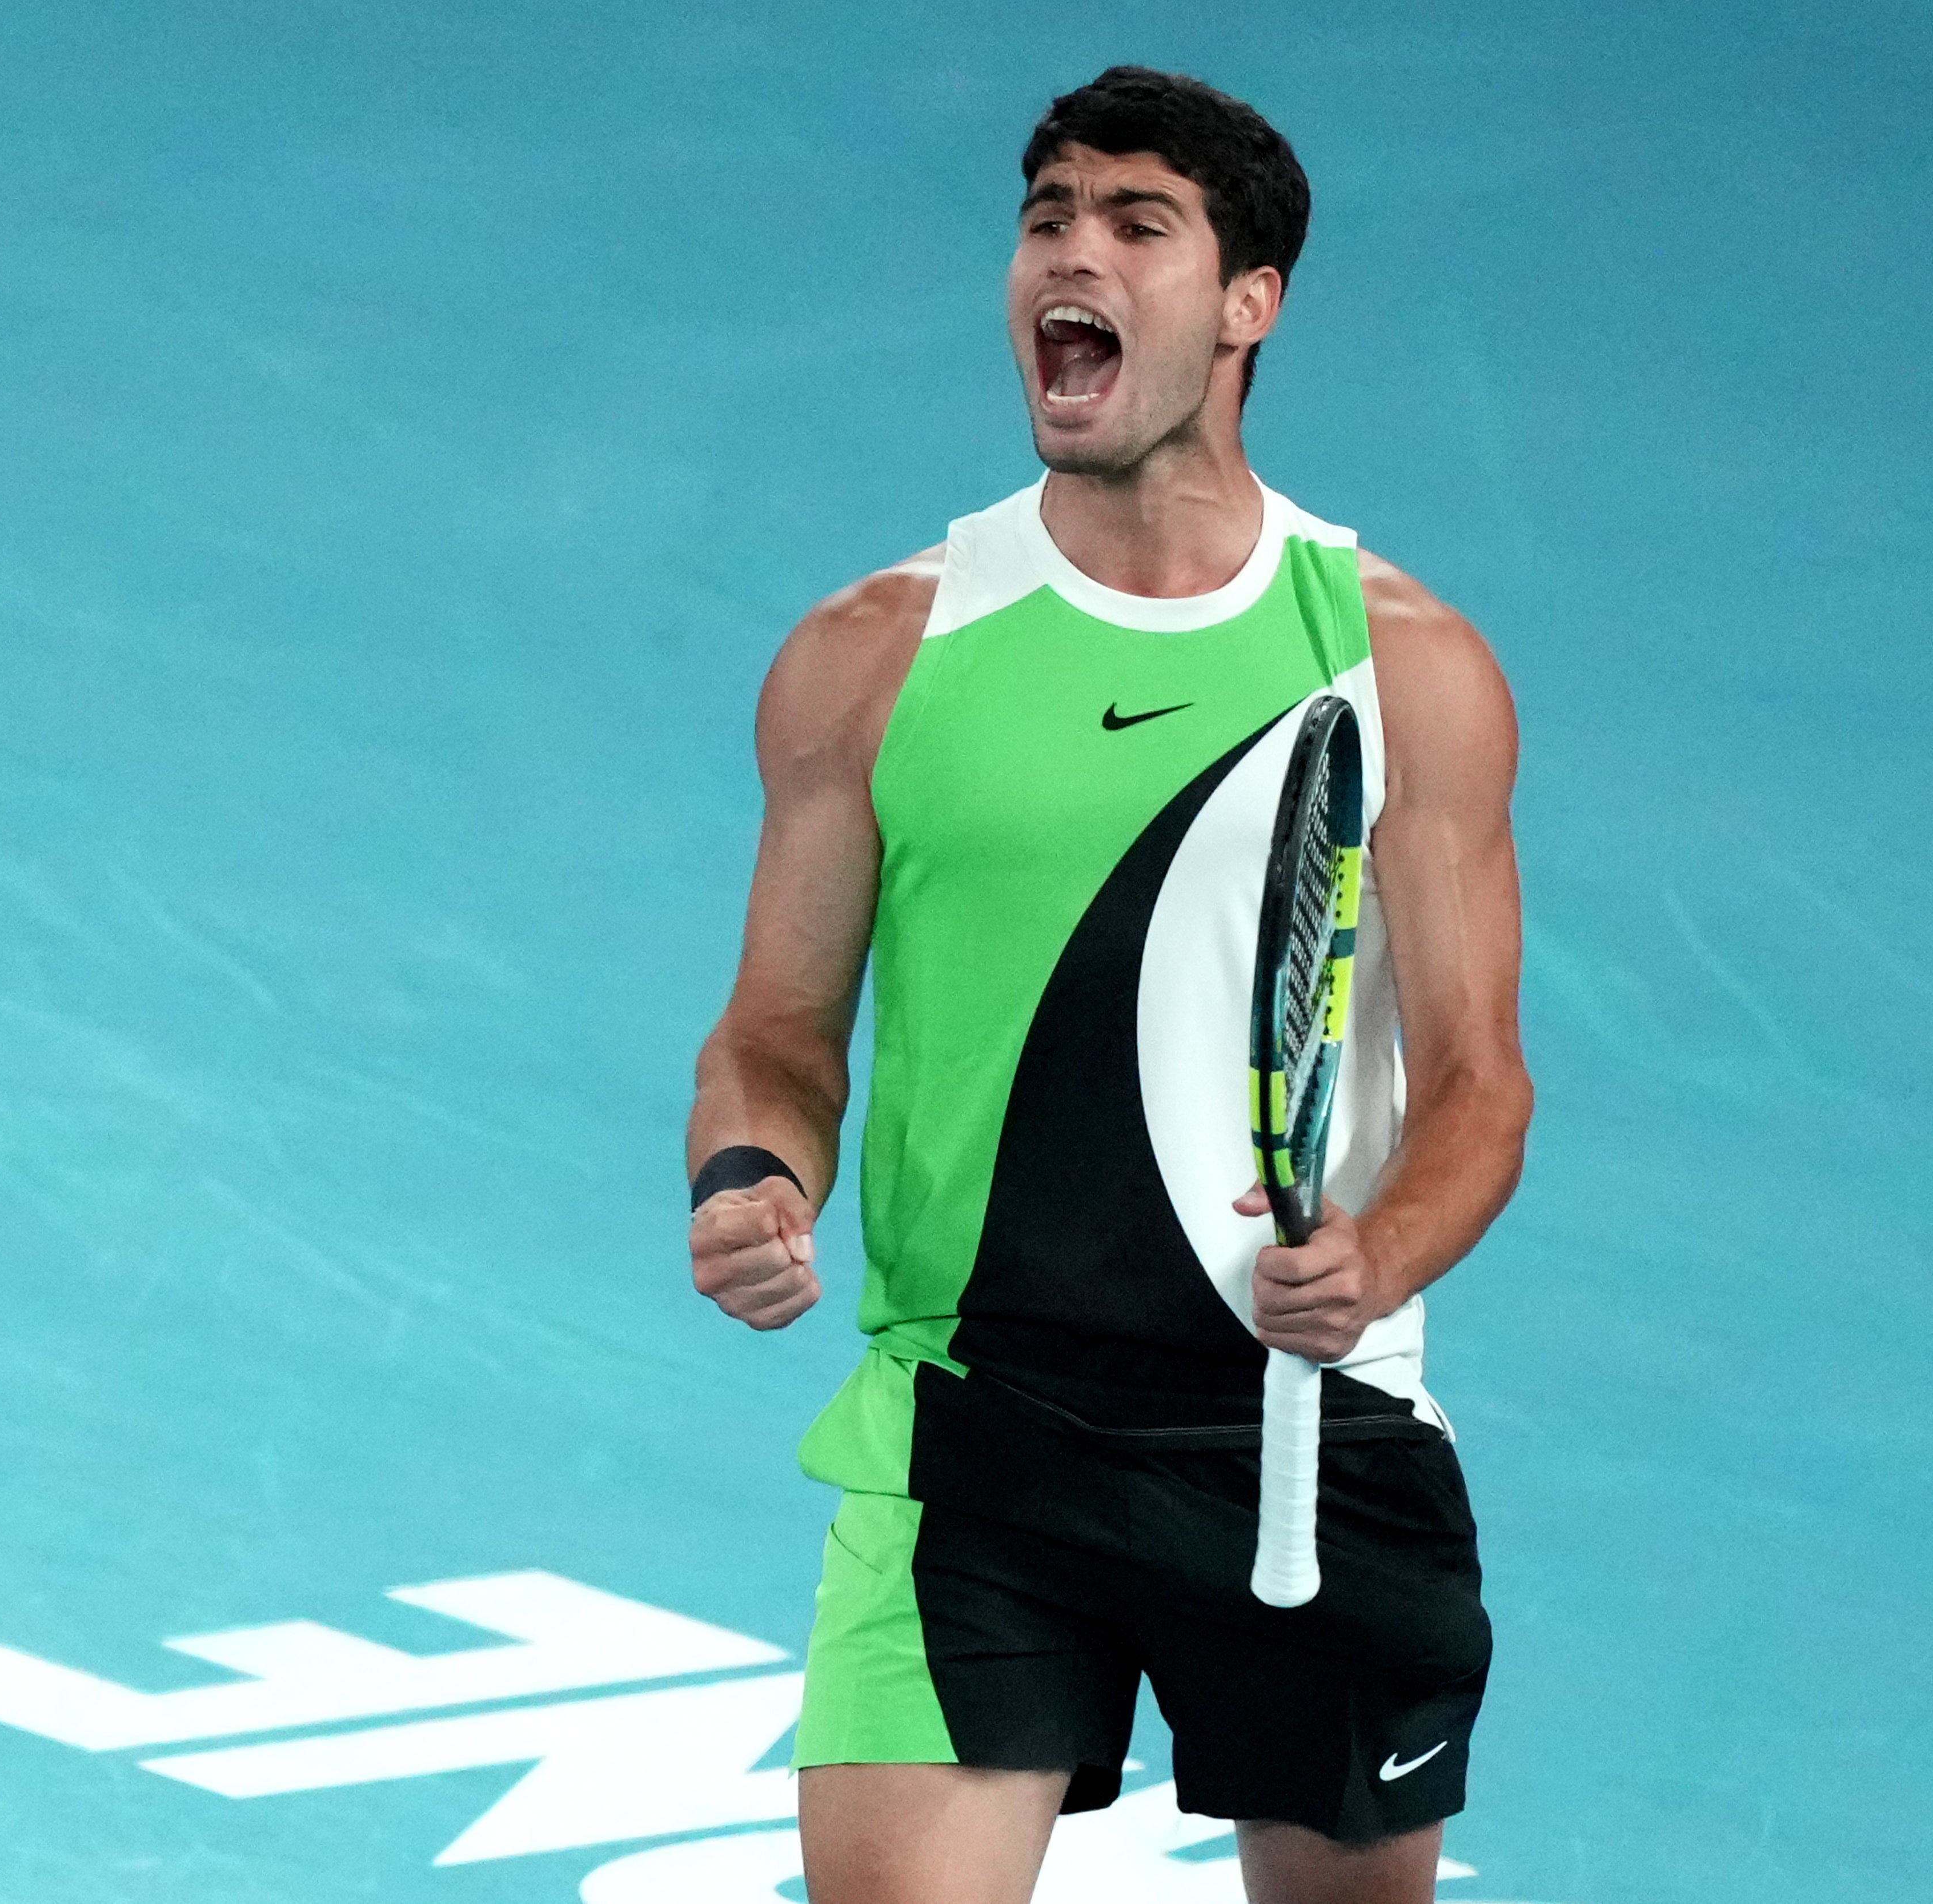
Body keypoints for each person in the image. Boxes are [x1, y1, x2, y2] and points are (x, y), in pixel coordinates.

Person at [683, 65, 1529, 1904]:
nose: (1072, 254)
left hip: (1310, 1434)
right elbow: (775, 1036)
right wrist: (751, 1178)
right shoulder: (876, 654)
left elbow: (1481, 1087)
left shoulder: (1405, 665)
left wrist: (1379, 1256)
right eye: (1048, 217)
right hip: (976, 1429)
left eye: (1139, 224)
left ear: (1248, 304)